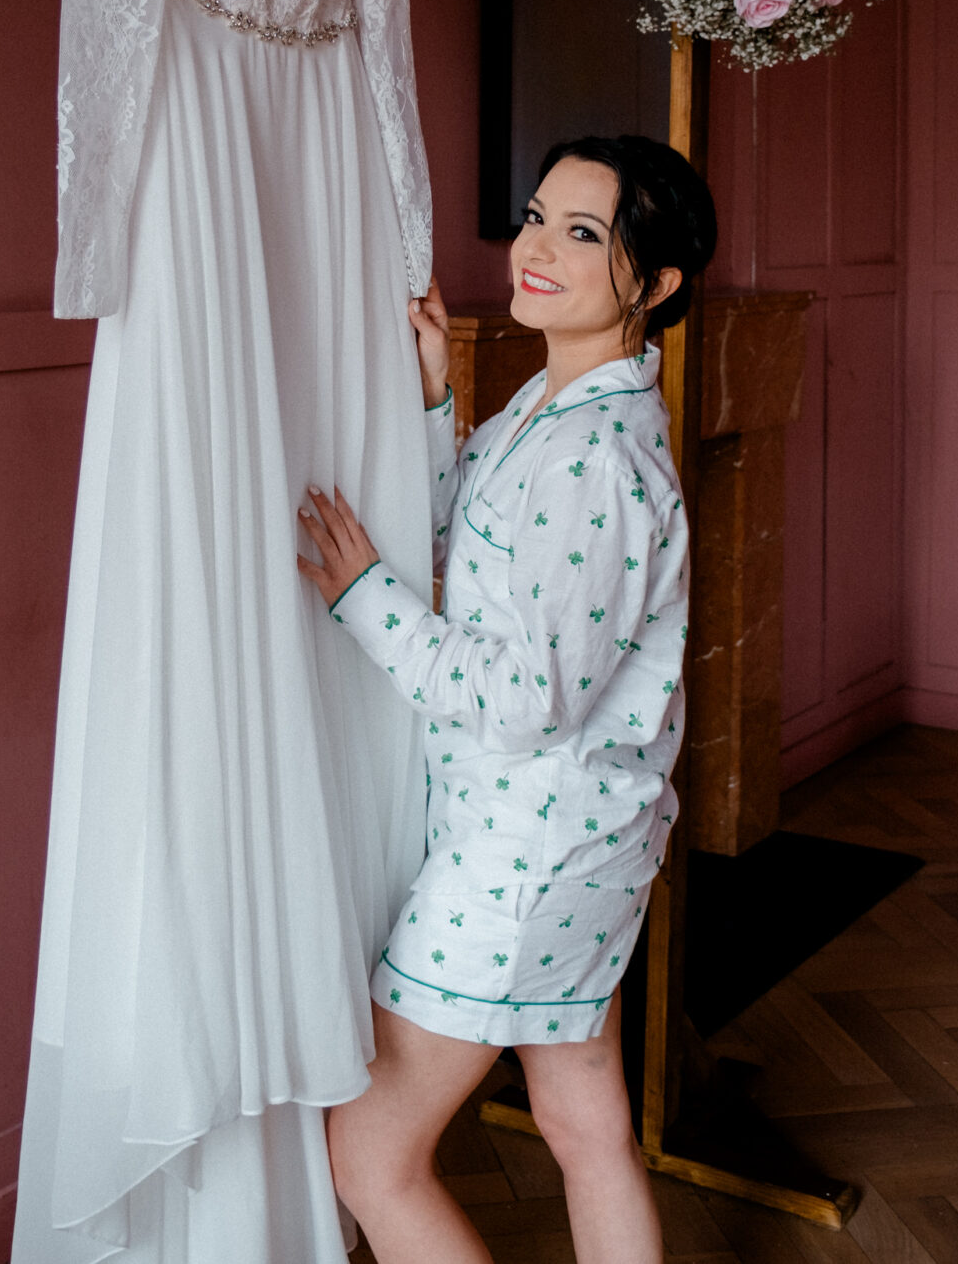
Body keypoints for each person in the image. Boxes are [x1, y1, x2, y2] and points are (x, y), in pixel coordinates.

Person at [297, 132, 717, 1264]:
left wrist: (364, 599)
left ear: (655, 284)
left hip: (525, 859)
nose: (536, 248)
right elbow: (482, 545)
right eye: (537, 217)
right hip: (576, 842)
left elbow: (529, 696)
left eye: (581, 233)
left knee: (369, 1155)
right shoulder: (561, 405)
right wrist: (437, 402)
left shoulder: (598, 458)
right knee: (585, 1126)